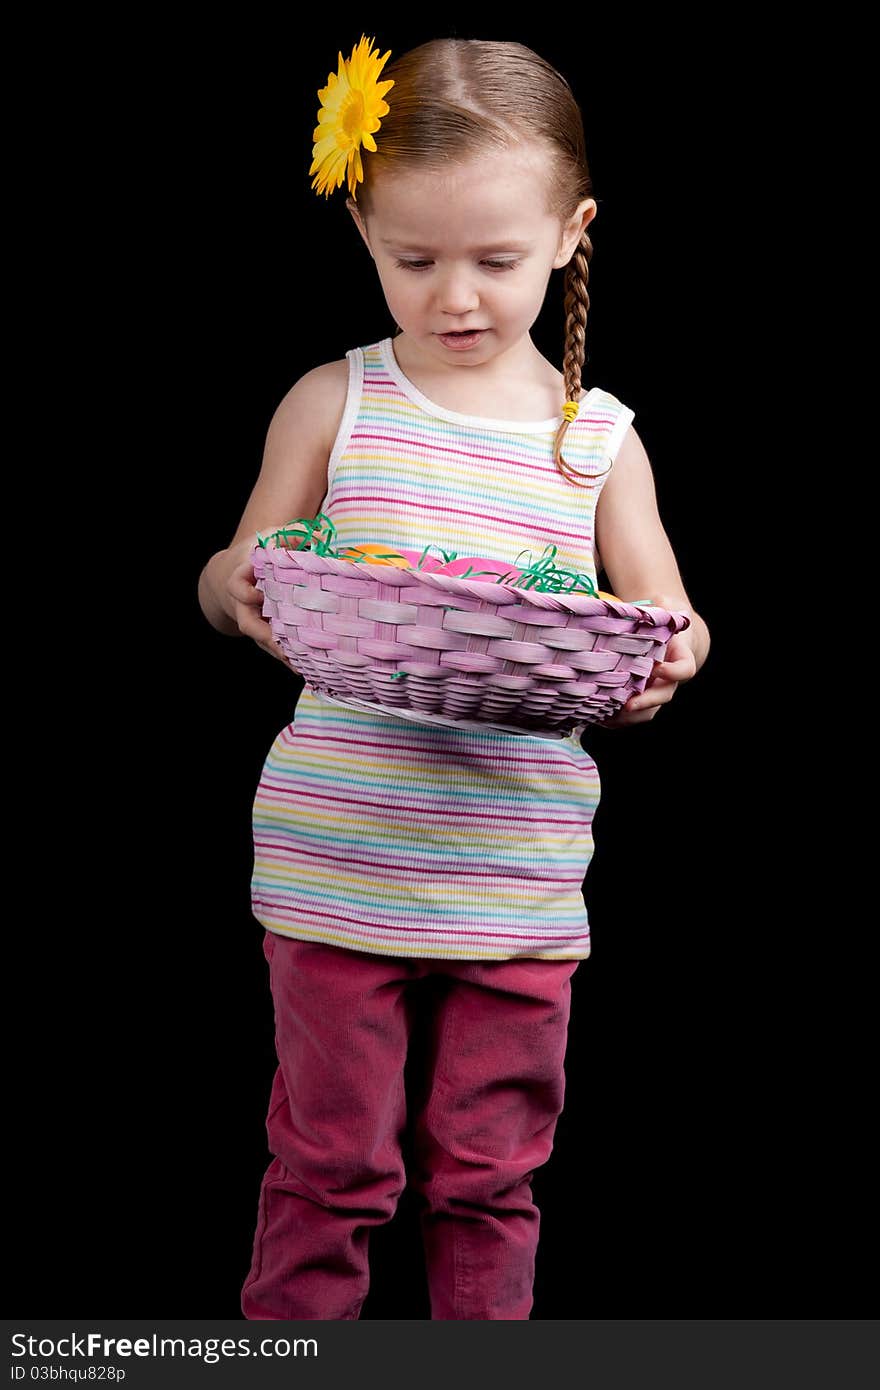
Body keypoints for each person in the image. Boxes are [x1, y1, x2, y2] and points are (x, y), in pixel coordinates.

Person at [198, 34, 711, 1321]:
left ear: (569, 231)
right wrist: (237, 589)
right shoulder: (337, 400)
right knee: (328, 1161)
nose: (455, 297)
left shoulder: (593, 441)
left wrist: (666, 661)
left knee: (489, 1172)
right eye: (410, 261)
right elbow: (235, 562)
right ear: (362, 231)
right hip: (336, 857)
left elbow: (671, 616)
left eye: (495, 260)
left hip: (514, 875)